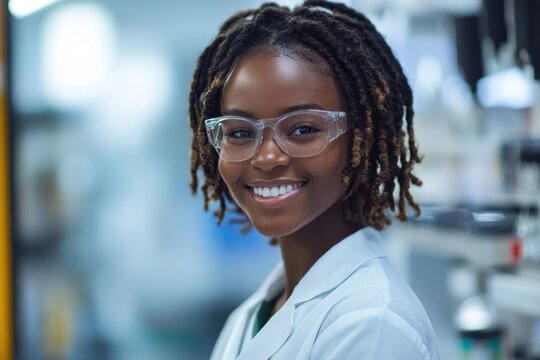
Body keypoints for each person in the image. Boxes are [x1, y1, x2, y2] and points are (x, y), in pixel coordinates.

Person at [188, 1, 440, 359]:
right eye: (240, 132)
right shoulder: (247, 319)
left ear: (361, 139)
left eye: (303, 129)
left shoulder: (372, 323)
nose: (267, 157)